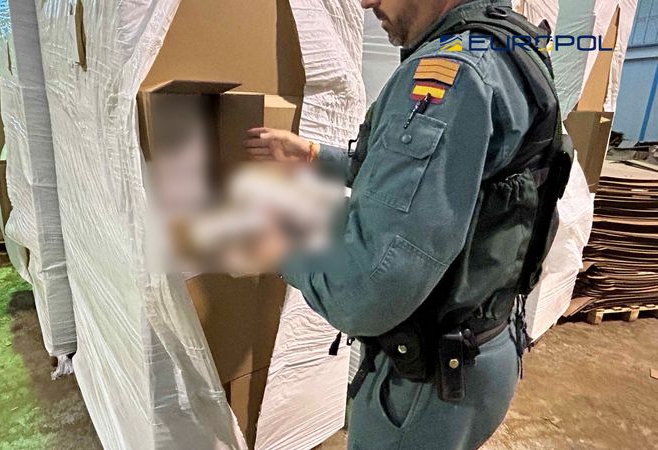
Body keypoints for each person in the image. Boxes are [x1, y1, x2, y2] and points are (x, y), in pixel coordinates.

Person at [244, 0, 571, 448]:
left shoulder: (451, 75)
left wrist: (284, 254)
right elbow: (457, 182)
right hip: (485, 343)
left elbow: (368, 290)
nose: (365, 3)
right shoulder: (502, 43)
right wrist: (316, 158)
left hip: (428, 384)